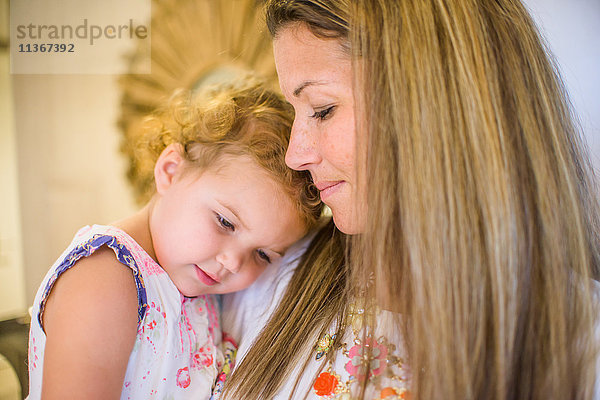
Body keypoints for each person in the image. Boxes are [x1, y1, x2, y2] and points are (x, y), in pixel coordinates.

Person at [222, 1, 600, 399]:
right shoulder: (267, 275)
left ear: (436, 102)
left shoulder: (583, 347)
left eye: (322, 109)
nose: (295, 156)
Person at [26, 79, 322, 400]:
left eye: (263, 254)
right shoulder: (105, 276)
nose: (234, 263)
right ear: (170, 171)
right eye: (225, 222)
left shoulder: (198, 290)